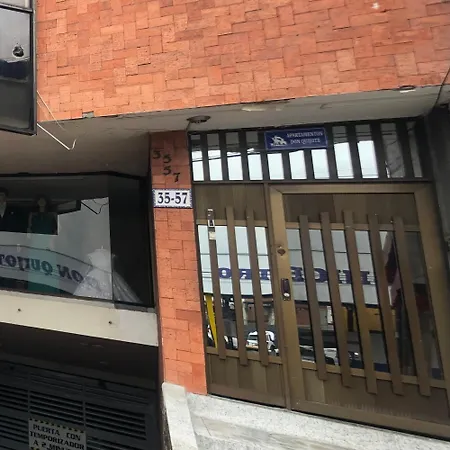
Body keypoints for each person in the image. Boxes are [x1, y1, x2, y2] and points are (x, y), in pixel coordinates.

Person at [27, 195, 59, 295]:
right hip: (35, 244)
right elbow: (29, 231)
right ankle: (35, 290)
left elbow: (55, 232)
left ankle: (50, 291)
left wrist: (52, 244)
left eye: (43, 200)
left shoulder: (52, 215)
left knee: (49, 268)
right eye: (39, 200)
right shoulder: (32, 215)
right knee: (35, 268)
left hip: (47, 244)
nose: (41, 202)